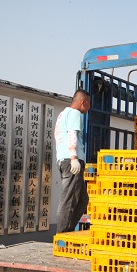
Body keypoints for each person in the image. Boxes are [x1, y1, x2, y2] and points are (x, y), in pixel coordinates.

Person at [54, 89, 91, 233]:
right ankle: (62, 235)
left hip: (64, 160)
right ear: (82, 102)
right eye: (88, 104)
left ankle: (67, 230)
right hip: (71, 161)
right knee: (68, 200)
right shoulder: (75, 113)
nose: (88, 108)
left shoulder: (63, 114)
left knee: (82, 200)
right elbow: (72, 134)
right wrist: (74, 158)